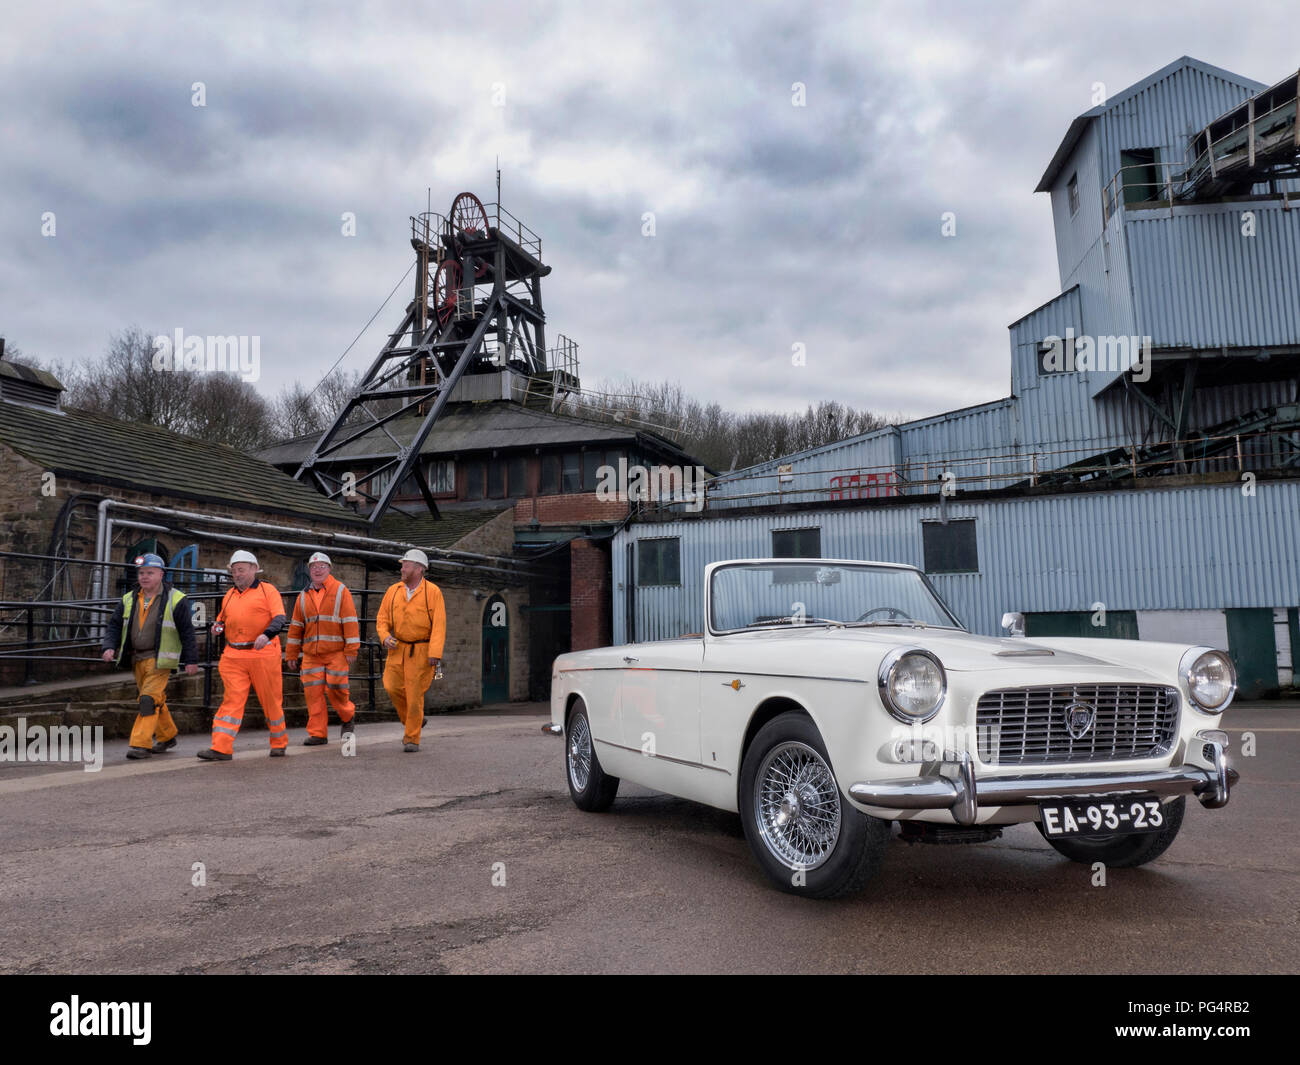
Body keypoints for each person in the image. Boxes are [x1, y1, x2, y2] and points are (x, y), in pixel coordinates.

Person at [101, 553, 199, 760]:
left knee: (147, 700)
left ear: (161, 574)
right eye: (142, 573)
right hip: (137, 658)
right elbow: (115, 625)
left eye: (150, 573)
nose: (144, 577)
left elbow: (187, 632)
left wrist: (191, 659)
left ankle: (140, 744)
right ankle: (167, 735)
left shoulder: (177, 598)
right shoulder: (129, 599)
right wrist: (109, 646)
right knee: (155, 699)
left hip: (160, 659)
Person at [197, 550, 289, 761]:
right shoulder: (229, 595)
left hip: (263, 653)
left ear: (254, 569)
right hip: (233, 655)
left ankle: (278, 742)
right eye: (234, 571)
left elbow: (280, 618)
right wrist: (217, 627)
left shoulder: (268, 591)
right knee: (232, 700)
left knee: (271, 700)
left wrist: (266, 635)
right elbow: (222, 620)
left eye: (241, 570)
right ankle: (221, 747)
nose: (237, 574)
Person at [285, 551, 359, 746]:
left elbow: (350, 621)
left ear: (329, 569)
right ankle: (318, 734)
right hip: (311, 655)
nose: (317, 570)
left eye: (322, 566)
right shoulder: (303, 596)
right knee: (313, 694)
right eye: (313, 567)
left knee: (337, 689)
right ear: (309, 571)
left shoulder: (341, 591)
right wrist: (291, 653)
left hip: (336, 652)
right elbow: (295, 627)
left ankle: (347, 717)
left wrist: (352, 649)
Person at [375, 549, 445, 752]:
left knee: (414, 695)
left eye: (406, 565)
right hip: (397, 648)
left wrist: (435, 653)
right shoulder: (393, 591)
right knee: (390, 686)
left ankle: (412, 738)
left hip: (422, 651)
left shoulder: (433, 592)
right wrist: (385, 636)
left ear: (419, 568)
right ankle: (415, 720)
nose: (402, 568)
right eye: (402, 564)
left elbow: (439, 625)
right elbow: (382, 620)